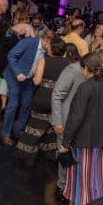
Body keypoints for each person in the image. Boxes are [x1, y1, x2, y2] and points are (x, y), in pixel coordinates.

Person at [60, 53, 103, 205]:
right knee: (96, 175)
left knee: (78, 175)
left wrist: (65, 143)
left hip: (82, 140)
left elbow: (75, 118)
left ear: (87, 68)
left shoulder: (85, 87)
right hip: (102, 140)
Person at [14, 38, 69, 166]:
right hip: (57, 100)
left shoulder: (44, 60)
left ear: (52, 48)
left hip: (42, 98)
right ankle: (48, 155)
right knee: (50, 128)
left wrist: (34, 72)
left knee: (34, 127)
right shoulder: (68, 64)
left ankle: (25, 157)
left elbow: (37, 81)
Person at [1, 32, 51, 146]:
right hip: (15, 77)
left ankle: (18, 129)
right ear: (45, 41)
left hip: (28, 80)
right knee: (13, 105)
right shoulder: (28, 42)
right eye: (50, 45)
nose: (50, 48)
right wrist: (18, 73)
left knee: (27, 104)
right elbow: (11, 55)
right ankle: (5, 133)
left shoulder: (47, 52)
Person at [51, 47, 85, 195]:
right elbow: (57, 95)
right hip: (65, 121)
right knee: (65, 156)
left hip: (80, 123)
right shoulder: (73, 70)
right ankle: (62, 187)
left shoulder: (99, 74)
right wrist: (58, 121)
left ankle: (70, 187)